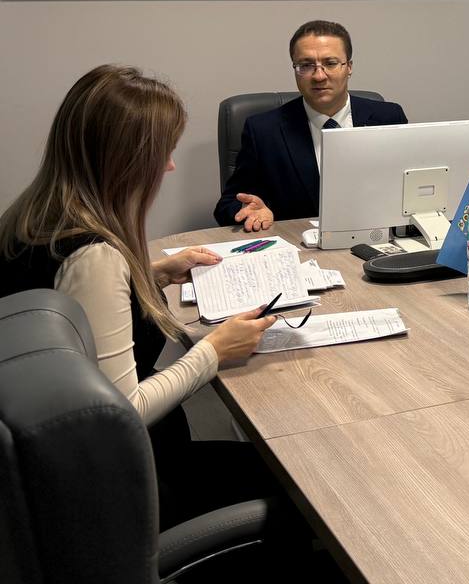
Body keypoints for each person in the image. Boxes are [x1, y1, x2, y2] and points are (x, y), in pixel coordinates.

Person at [0, 64, 279, 528]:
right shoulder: (94, 255)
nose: (170, 166)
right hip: (129, 488)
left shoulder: (35, 214)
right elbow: (123, 409)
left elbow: (68, 304)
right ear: (125, 160)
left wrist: (154, 274)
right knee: (300, 480)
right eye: (163, 153)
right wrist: (214, 350)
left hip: (55, 468)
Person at [214, 20, 408, 229]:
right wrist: (252, 211)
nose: (319, 76)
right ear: (294, 69)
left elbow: (410, 190)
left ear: (349, 67)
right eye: (306, 65)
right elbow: (228, 205)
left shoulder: (389, 117)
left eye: (330, 63)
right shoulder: (264, 131)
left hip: (377, 239)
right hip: (300, 242)